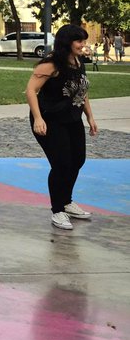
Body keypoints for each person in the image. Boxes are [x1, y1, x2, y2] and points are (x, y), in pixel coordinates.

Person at [26, 24, 98, 231]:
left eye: (83, 41)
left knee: (78, 160)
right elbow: (31, 90)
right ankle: (58, 210)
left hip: (72, 118)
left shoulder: (78, 61)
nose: (83, 45)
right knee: (61, 164)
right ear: (67, 42)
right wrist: (38, 118)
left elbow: (81, 92)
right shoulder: (51, 64)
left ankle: (67, 201)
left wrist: (90, 117)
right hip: (49, 119)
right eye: (79, 41)